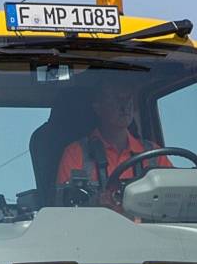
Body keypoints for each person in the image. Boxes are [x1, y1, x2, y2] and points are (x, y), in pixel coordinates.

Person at [53, 77, 169, 207]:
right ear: (97, 107)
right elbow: (65, 210)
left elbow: (175, 197)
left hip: (150, 228)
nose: (124, 105)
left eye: (128, 97)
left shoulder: (154, 154)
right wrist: (95, 203)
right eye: (115, 98)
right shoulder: (76, 153)